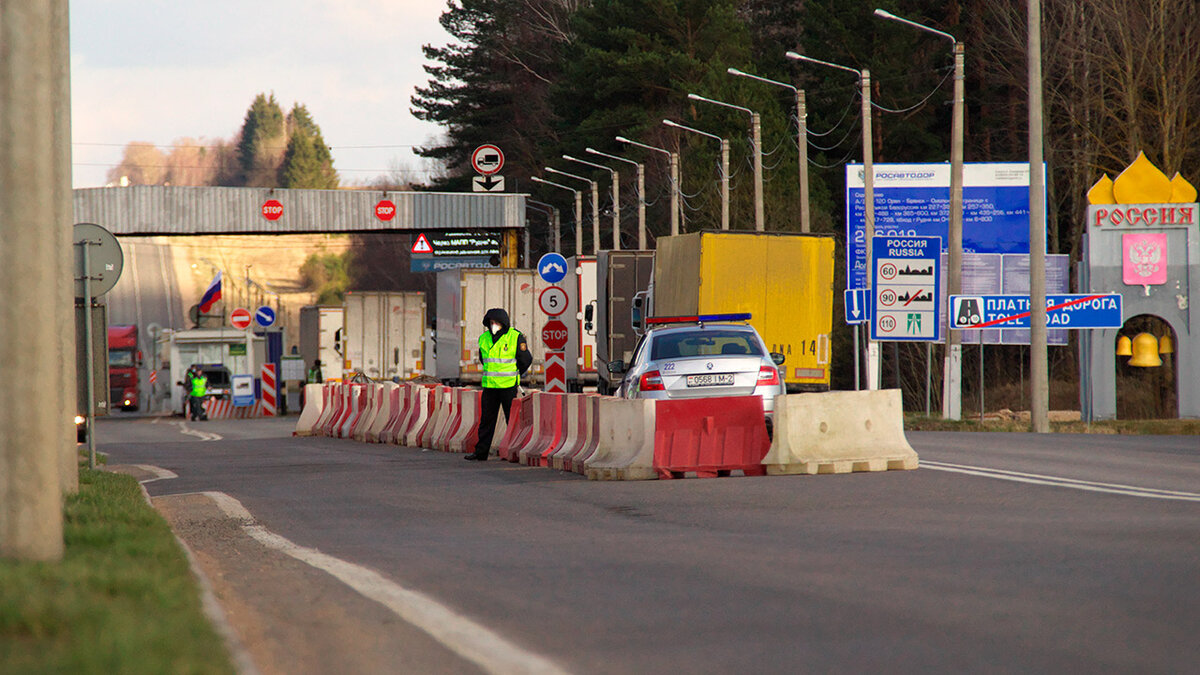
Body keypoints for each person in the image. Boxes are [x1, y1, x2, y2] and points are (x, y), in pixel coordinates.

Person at [466, 308, 531, 461]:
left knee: (512, 420)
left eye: (496, 322)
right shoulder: (484, 338)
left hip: (508, 386)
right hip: (490, 386)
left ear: (504, 323)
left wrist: (516, 374)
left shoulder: (515, 337)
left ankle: (513, 452)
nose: (493, 325)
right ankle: (481, 452)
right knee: (486, 421)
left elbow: (526, 359)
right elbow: (484, 359)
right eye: (491, 322)